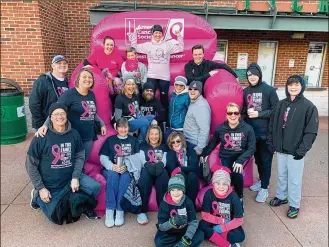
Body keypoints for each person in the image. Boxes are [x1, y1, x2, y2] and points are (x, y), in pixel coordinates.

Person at [26, 102, 101, 222]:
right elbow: (30, 165)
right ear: (50, 117)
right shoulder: (41, 137)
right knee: (57, 216)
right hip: (51, 183)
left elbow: (79, 157)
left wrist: (76, 177)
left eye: (62, 113)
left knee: (95, 187)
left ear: (66, 116)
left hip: (70, 177)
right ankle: (36, 196)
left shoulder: (74, 134)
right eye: (56, 114)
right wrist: (41, 188)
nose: (59, 116)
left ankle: (83, 206)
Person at [267, 75, 319, 219]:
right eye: (290, 84)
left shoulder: (309, 107)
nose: (293, 87)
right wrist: (272, 143)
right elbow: (272, 125)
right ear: (287, 87)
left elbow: (311, 131)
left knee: (294, 179)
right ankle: (281, 196)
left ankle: (294, 204)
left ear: (302, 87)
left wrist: (302, 150)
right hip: (281, 148)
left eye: (296, 84)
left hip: (296, 151)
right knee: (282, 175)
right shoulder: (281, 104)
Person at [36, 68, 106, 161]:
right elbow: (56, 111)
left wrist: (102, 124)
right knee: (71, 162)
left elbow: (93, 112)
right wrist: (45, 125)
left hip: (88, 136)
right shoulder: (69, 94)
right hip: (73, 136)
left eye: (90, 77)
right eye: (84, 76)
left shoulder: (91, 95)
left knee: (83, 161)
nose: (87, 79)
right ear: (78, 79)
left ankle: (81, 174)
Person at [202, 103, 256, 201]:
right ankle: (227, 198)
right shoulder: (220, 128)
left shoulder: (248, 128)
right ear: (227, 115)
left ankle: (239, 197)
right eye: (230, 113)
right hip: (226, 156)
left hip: (240, 156)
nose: (233, 115)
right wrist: (205, 153)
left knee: (236, 173)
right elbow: (213, 143)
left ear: (239, 114)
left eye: (235, 113)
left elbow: (252, 148)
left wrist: (240, 160)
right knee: (226, 176)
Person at [241, 63, 279, 203]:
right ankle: (262, 181)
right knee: (257, 160)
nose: (252, 77)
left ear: (259, 74)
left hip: (266, 134)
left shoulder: (269, 90)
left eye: (254, 74)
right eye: (249, 75)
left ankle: (264, 188)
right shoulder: (246, 91)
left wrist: (259, 113)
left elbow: (276, 110)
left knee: (266, 161)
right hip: (252, 134)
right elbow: (244, 111)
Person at [131, 24, 184, 110]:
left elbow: (181, 48)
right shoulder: (147, 45)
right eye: (155, 33)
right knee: (148, 97)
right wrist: (135, 33)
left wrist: (178, 35)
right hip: (152, 76)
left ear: (162, 34)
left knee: (164, 98)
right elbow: (134, 47)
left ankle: (164, 120)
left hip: (164, 77)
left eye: (159, 33)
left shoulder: (167, 45)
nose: (157, 35)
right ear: (152, 34)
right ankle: (148, 117)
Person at [99, 118, 139, 227]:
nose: (123, 129)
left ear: (128, 128)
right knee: (113, 176)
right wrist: (112, 166)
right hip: (112, 168)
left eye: (125, 127)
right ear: (117, 128)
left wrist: (127, 166)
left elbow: (137, 158)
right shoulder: (110, 140)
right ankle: (110, 210)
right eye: (121, 127)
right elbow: (103, 157)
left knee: (125, 178)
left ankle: (120, 210)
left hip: (127, 169)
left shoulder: (133, 140)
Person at [125, 125, 168, 225]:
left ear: (159, 135)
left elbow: (165, 160)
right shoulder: (143, 145)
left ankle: (163, 211)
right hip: (147, 168)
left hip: (159, 169)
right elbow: (141, 159)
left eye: (156, 134)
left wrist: (160, 165)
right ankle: (142, 211)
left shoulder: (164, 146)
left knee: (164, 176)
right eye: (152, 134)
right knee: (143, 178)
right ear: (148, 135)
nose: (154, 136)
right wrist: (147, 165)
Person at [154, 174, 204, 247]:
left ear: (183, 190)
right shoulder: (164, 204)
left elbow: (193, 221)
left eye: (179, 189)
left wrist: (187, 237)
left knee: (200, 235)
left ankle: (182, 243)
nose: (176, 193)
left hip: (184, 231)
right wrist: (172, 222)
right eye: (173, 190)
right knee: (159, 241)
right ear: (169, 191)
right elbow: (161, 226)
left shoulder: (188, 202)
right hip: (170, 232)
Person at [199, 168, 245, 247]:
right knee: (201, 226)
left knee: (240, 236)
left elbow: (239, 220)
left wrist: (224, 227)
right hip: (214, 221)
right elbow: (205, 215)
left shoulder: (234, 197)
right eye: (217, 183)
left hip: (229, 222)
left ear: (228, 185)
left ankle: (213, 236)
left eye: (224, 184)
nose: (221, 187)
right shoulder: (209, 193)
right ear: (213, 183)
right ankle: (227, 244)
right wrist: (222, 221)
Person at [29, 55, 69, 130]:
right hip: (45, 124)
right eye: (59, 63)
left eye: (65, 63)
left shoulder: (68, 83)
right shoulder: (43, 81)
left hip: (62, 123)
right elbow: (34, 103)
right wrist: (42, 124)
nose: (62, 65)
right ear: (52, 66)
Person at [114, 75, 155, 143]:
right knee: (145, 122)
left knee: (152, 117)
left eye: (133, 84)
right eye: (128, 84)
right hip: (126, 123)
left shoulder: (135, 96)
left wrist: (138, 122)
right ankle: (142, 141)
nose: (131, 86)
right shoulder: (120, 98)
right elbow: (117, 118)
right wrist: (125, 129)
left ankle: (139, 139)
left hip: (135, 120)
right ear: (124, 86)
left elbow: (137, 111)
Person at [166, 132, 200, 207]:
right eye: (173, 142)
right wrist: (183, 170)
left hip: (191, 177)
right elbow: (172, 168)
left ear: (182, 141)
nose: (175, 143)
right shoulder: (170, 153)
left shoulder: (191, 151)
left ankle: (190, 205)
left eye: (178, 141)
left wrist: (180, 168)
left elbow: (195, 167)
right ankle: (181, 204)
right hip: (178, 178)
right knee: (181, 175)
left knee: (192, 175)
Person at [183, 80, 211, 157]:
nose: (192, 91)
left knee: (192, 168)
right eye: (190, 89)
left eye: (195, 89)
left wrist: (199, 148)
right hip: (189, 141)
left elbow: (205, 129)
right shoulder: (194, 102)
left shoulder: (201, 106)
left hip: (194, 144)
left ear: (200, 91)